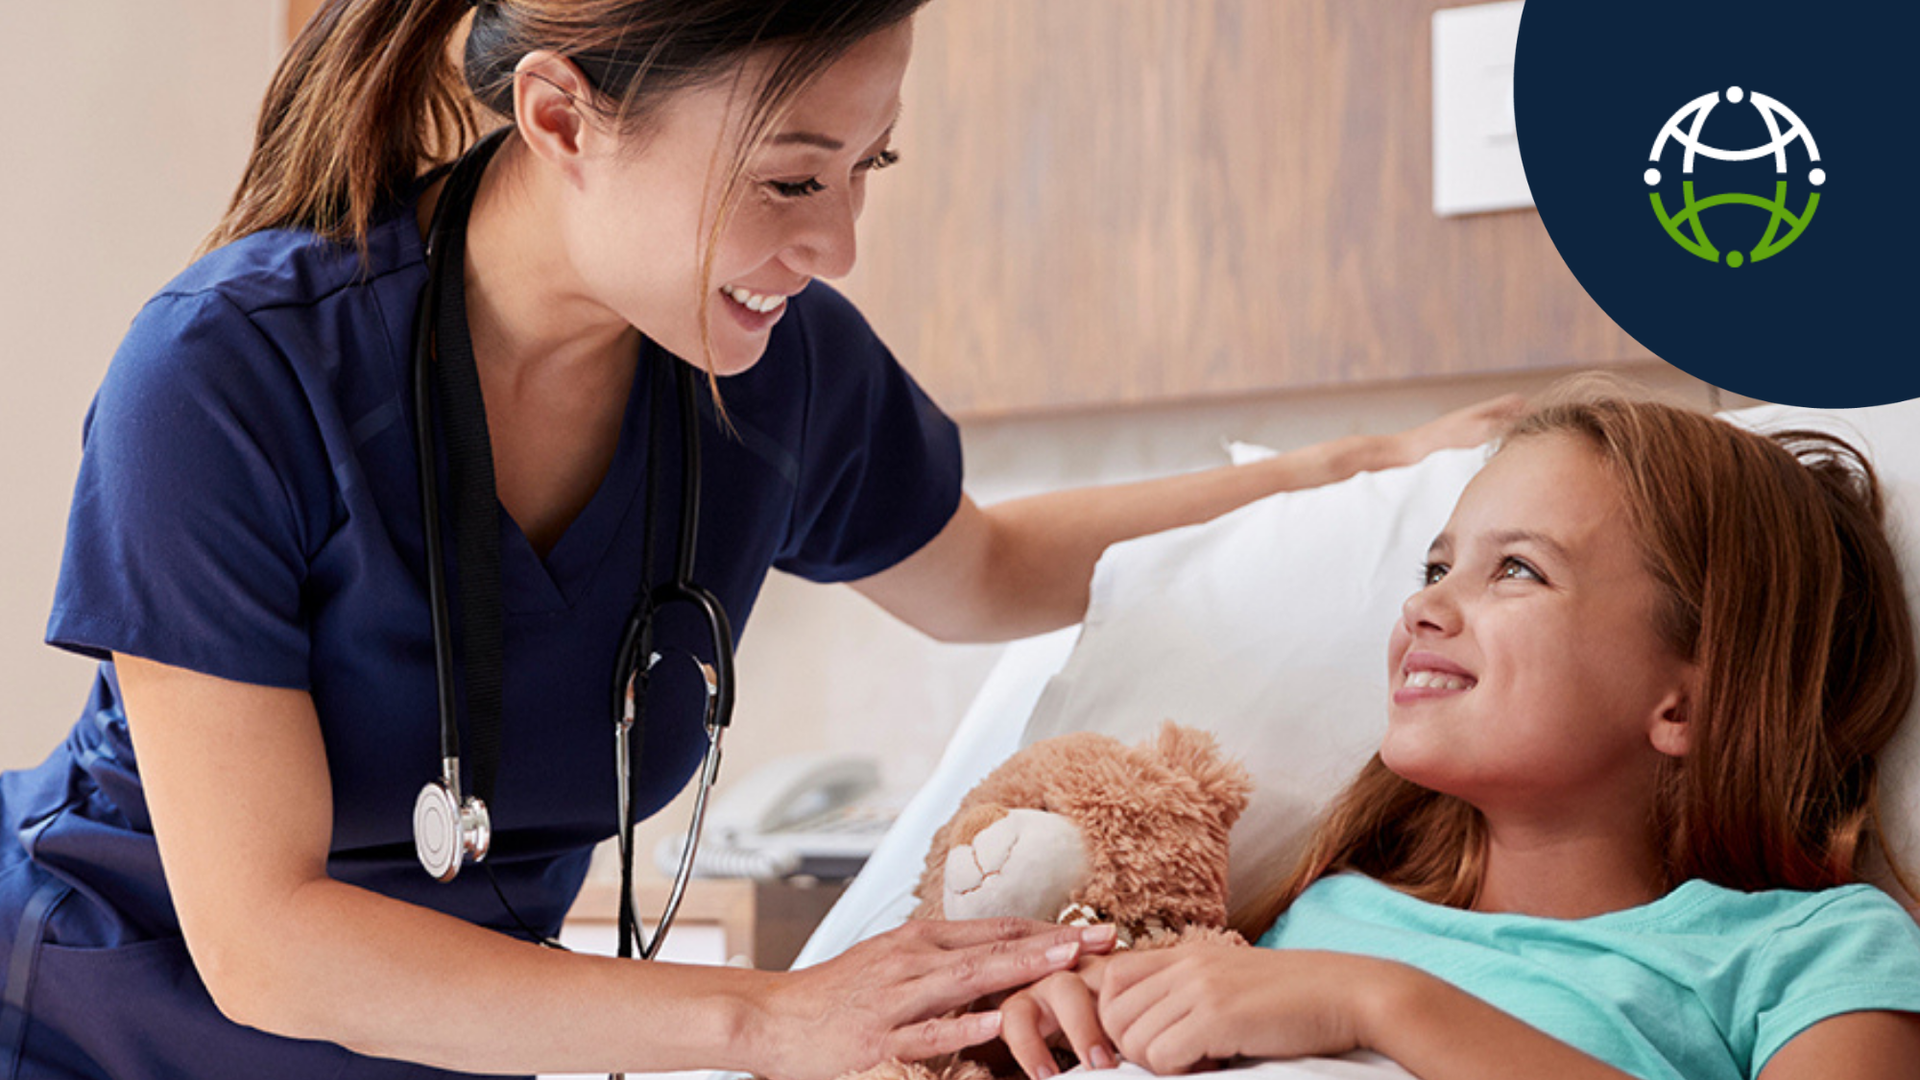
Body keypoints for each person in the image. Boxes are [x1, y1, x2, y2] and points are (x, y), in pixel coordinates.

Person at [0, 2, 1519, 1077]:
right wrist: (771, 1019)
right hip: (83, 1020)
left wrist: (1358, 473)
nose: (837, 244)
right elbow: (267, 940)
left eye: (867, 171)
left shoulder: (774, 369)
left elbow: (984, 572)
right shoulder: (232, 372)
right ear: (561, 116)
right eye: (793, 177)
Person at [997, 393, 1920, 1080]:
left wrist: (1379, 1003)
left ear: (1684, 703)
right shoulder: (1322, 913)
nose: (1424, 606)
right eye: (1435, 567)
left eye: (1517, 569)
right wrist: (1089, 1025)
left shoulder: (1812, 953)